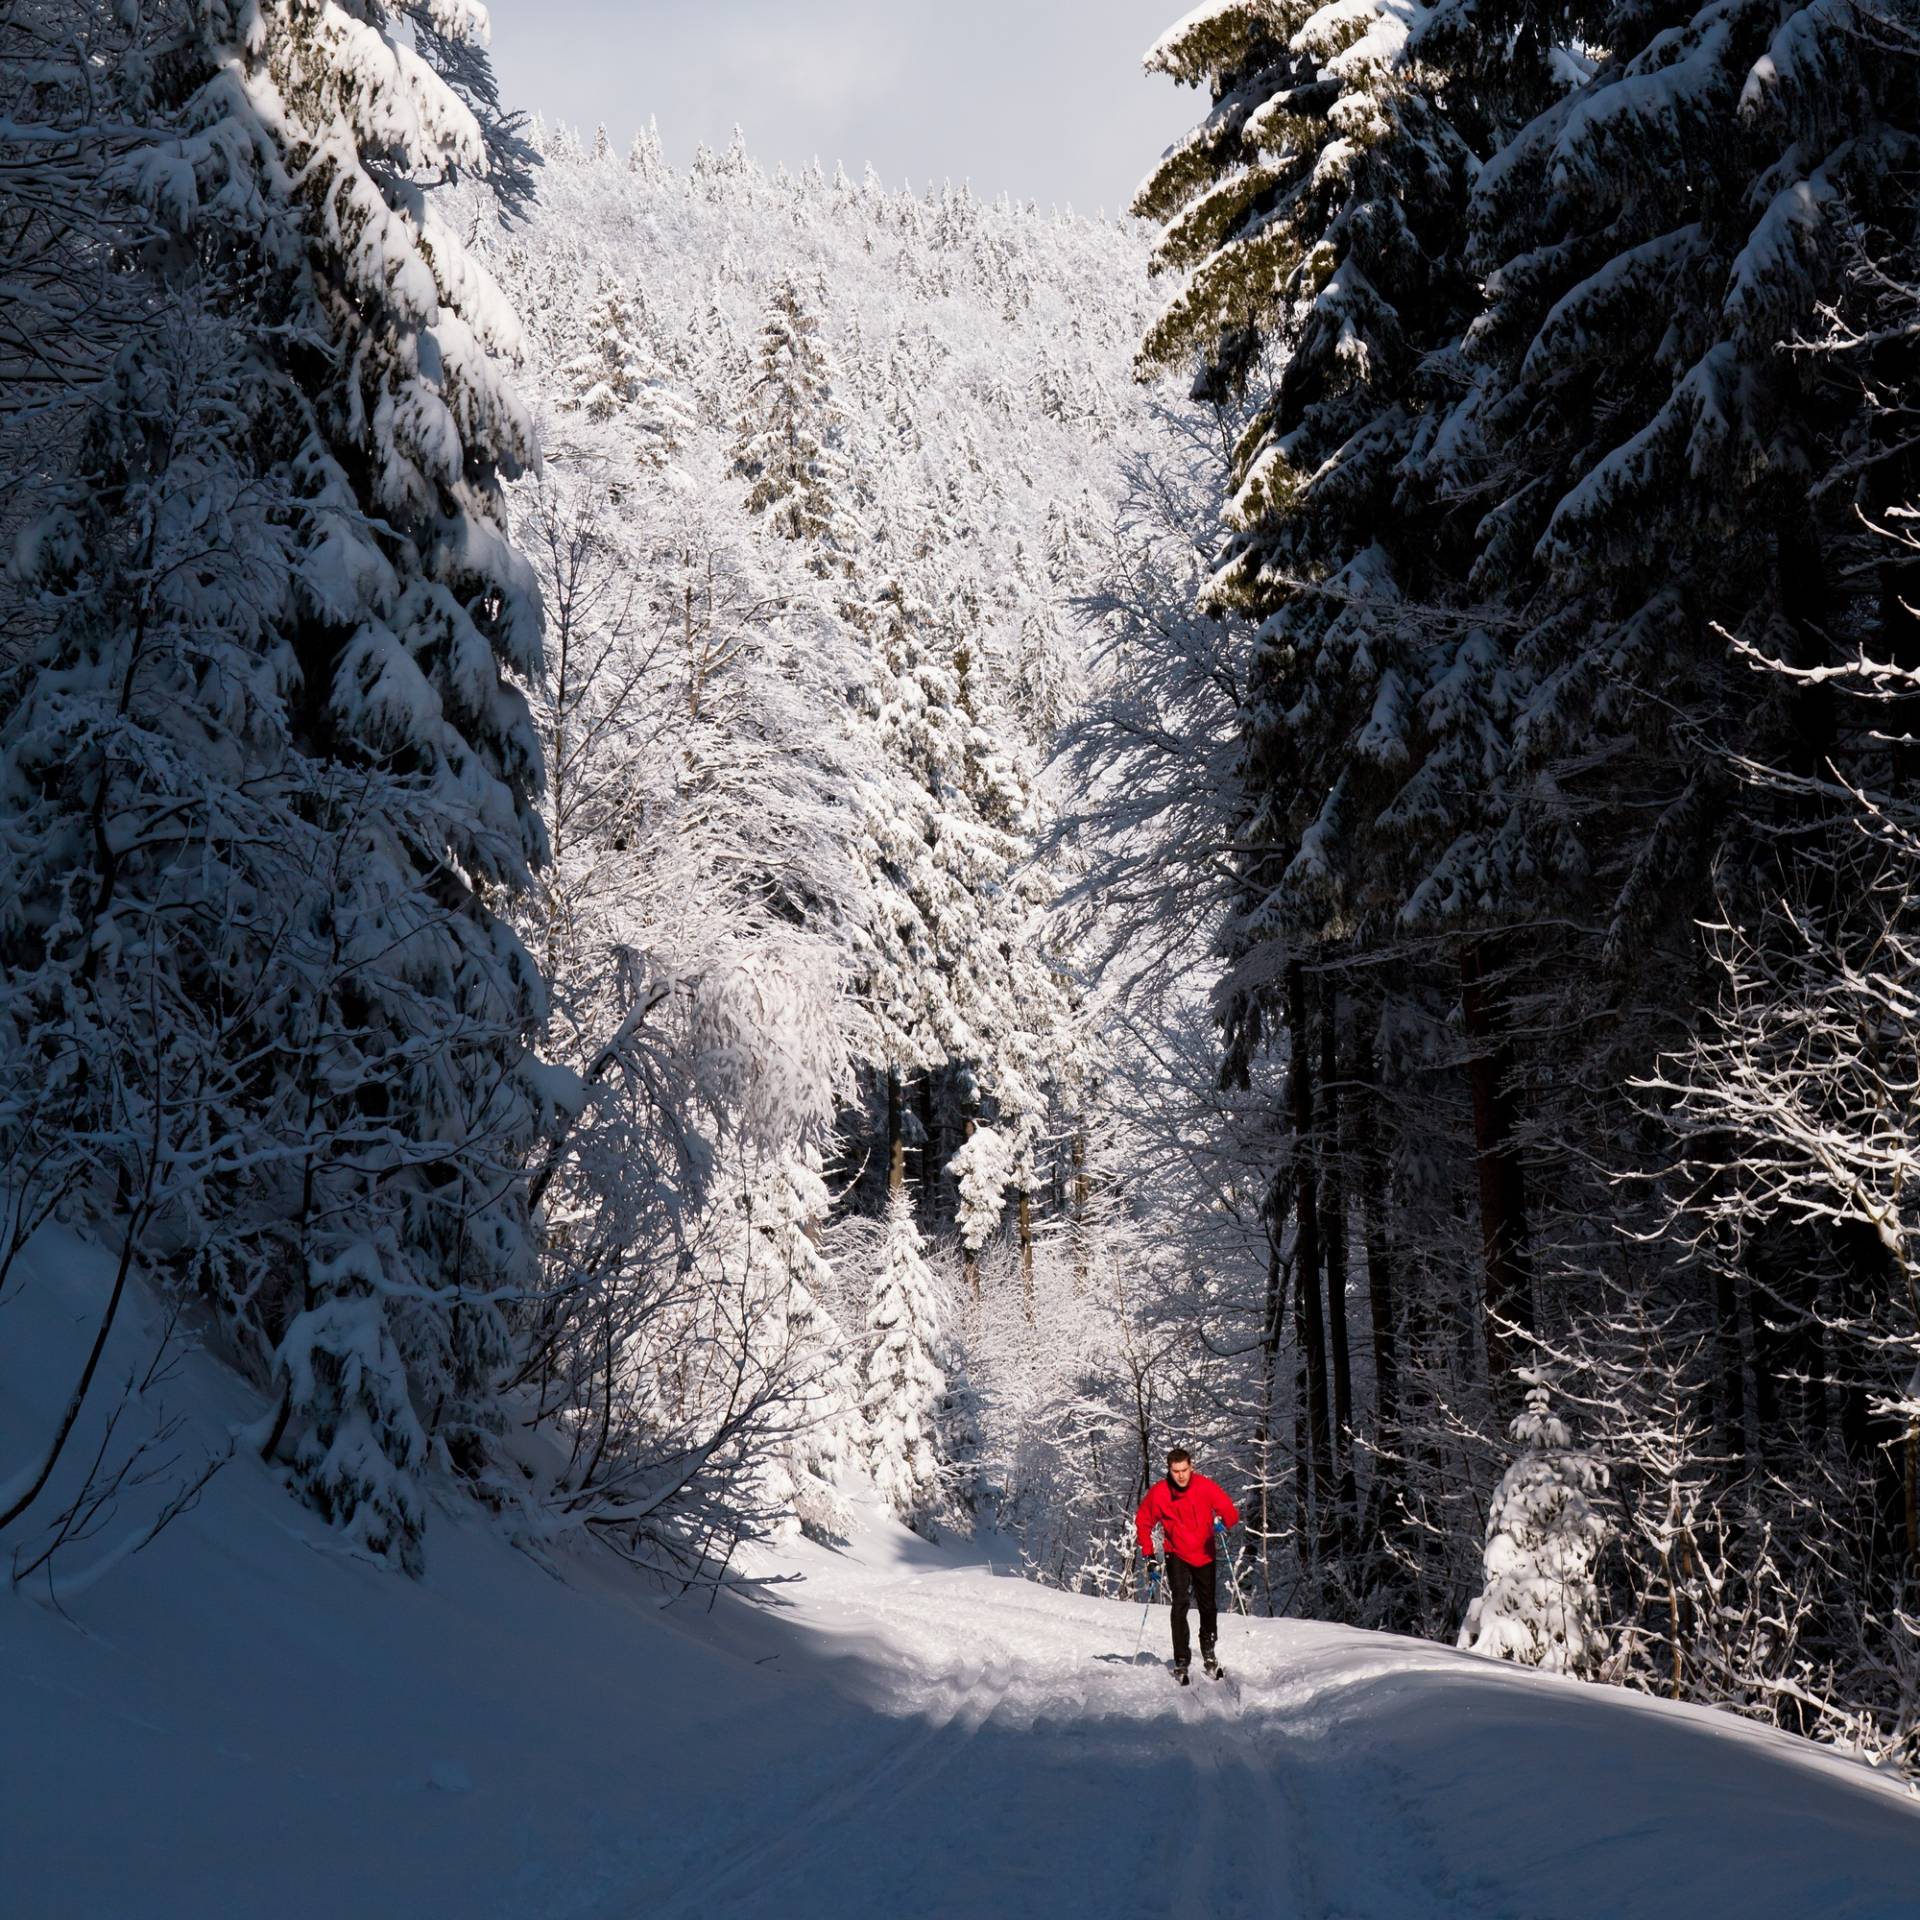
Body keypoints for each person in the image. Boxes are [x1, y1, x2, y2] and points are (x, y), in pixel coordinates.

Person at [1135, 1447, 1240, 1679]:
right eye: (1176, 1471)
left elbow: (1231, 1512)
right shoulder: (1160, 1493)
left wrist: (1223, 1521)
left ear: (1191, 1467)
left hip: (1204, 1553)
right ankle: (1181, 1658)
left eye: (1184, 1470)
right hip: (1177, 1554)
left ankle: (1209, 1650)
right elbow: (1143, 1521)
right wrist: (1149, 1554)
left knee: (1208, 1605)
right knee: (1180, 1603)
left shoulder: (1205, 1487)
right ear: (1169, 1471)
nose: (1181, 1476)